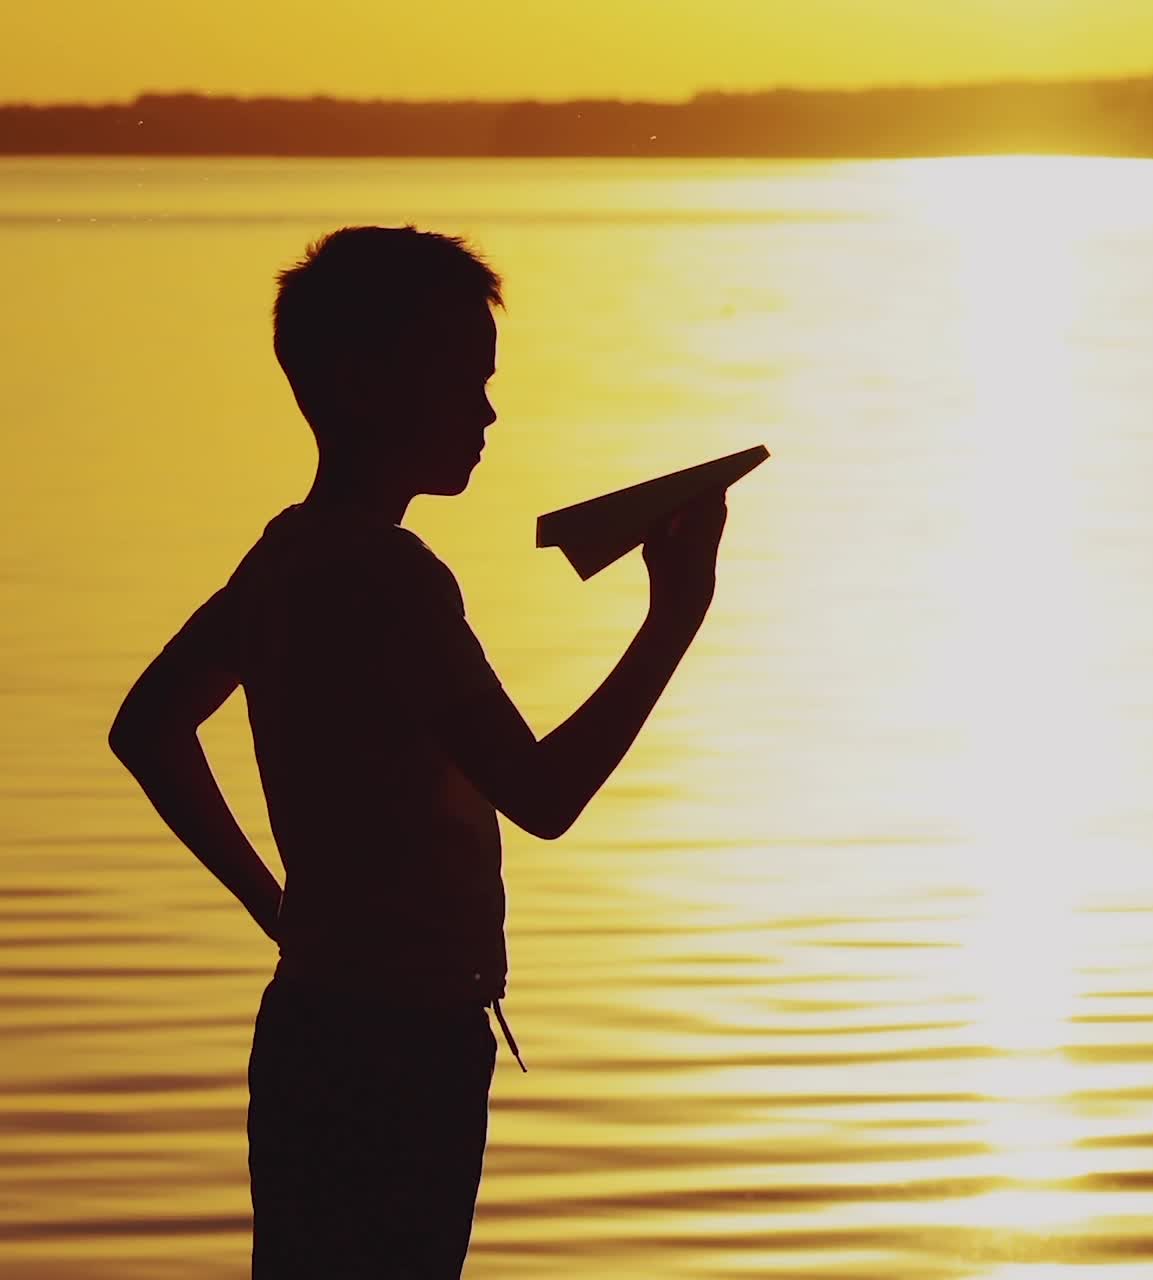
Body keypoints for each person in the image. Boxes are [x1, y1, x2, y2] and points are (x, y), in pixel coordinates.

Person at [106, 224, 728, 1278]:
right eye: (460, 380)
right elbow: (541, 793)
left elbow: (149, 727)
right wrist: (675, 613)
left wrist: (282, 909)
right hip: (399, 1049)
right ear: (362, 384)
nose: (486, 411)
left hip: (312, 1020)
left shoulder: (287, 552)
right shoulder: (393, 579)